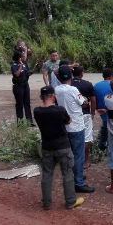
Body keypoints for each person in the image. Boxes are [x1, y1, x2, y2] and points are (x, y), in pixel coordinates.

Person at [34, 86, 85, 210]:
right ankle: (70, 201)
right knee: (67, 173)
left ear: (41, 97)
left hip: (47, 146)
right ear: (54, 96)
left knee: (47, 174)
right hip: (63, 146)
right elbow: (68, 121)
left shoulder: (37, 111)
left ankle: (46, 202)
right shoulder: (59, 110)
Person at [54, 65, 94, 194]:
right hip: (76, 125)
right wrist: (86, 100)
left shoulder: (57, 89)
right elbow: (84, 103)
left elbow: (56, 72)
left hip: (64, 125)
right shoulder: (73, 89)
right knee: (78, 155)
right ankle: (78, 183)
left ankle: (75, 177)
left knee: (70, 153)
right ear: (71, 76)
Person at [71, 66, 96, 167]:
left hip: (72, 114)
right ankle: (85, 162)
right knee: (86, 138)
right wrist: (92, 112)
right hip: (85, 113)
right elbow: (93, 100)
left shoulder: (69, 84)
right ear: (82, 73)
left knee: (73, 137)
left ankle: (73, 160)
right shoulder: (88, 84)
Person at [11, 49, 34, 126]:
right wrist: (20, 67)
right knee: (19, 104)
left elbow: (26, 72)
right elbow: (16, 74)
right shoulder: (14, 65)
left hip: (25, 85)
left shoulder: (25, 64)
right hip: (18, 86)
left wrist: (29, 73)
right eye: (22, 57)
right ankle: (20, 122)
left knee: (27, 103)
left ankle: (29, 121)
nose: (24, 58)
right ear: (19, 58)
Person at [93, 69, 113, 153]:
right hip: (112, 111)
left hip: (101, 111)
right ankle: (108, 147)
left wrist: (96, 109)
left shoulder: (96, 86)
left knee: (105, 127)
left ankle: (101, 145)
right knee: (109, 129)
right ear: (111, 76)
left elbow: (93, 99)